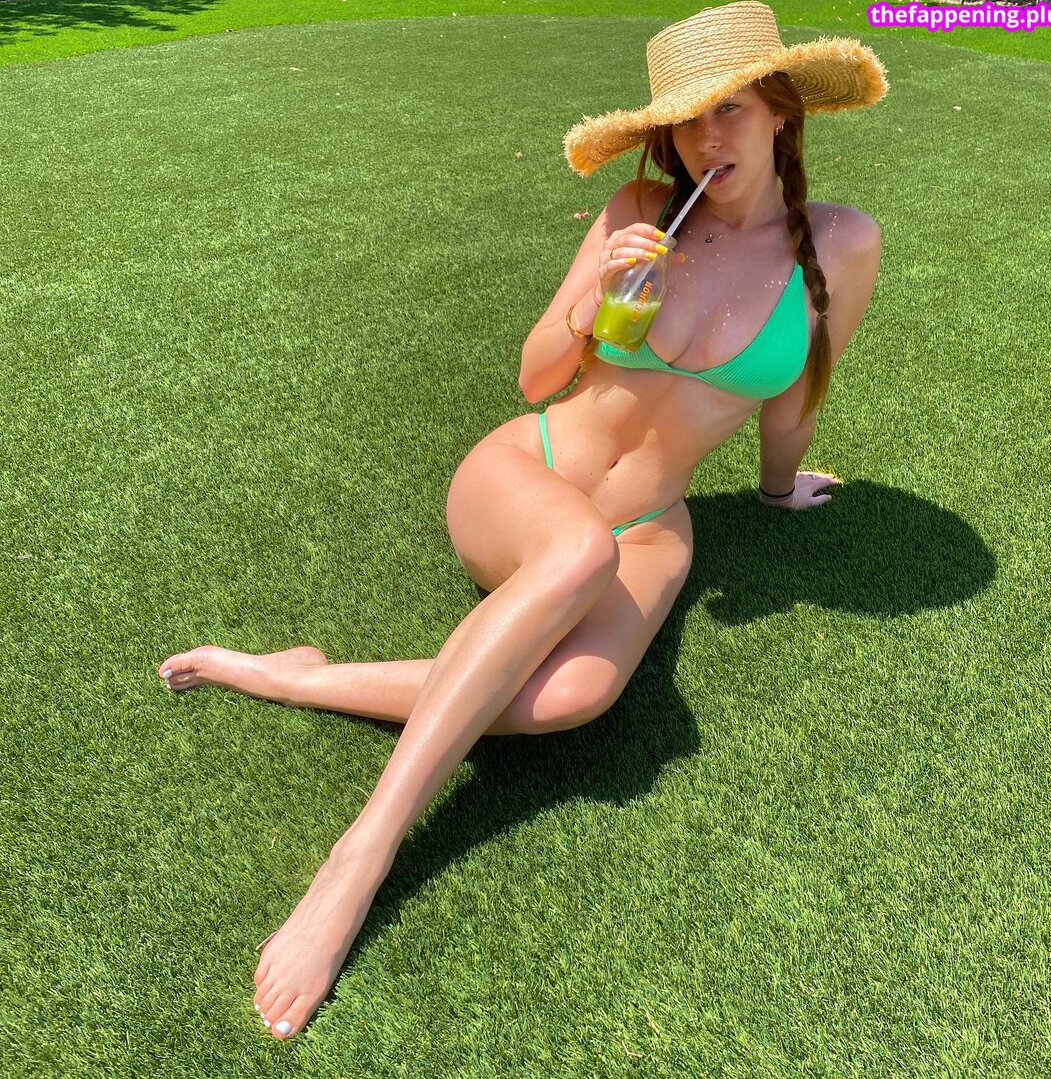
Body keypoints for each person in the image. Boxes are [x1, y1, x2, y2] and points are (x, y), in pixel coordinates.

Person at [156, 1, 889, 1040]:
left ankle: (299, 675)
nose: (704, 137)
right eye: (684, 119)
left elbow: (797, 399)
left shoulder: (840, 245)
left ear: (780, 108)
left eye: (727, 107)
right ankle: (361, 855)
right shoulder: (640, 209)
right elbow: (536, 376)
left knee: (577, 694)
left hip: (649, 522)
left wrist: (777, 490)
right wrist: (595, 298)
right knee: (575, 549)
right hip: (528, 472)